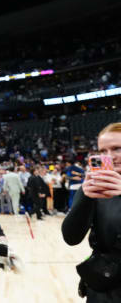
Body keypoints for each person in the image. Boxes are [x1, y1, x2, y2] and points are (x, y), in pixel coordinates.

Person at [62, 123, 121, 302]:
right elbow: (71, 238)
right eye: (102, 151)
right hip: (105, 286)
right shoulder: (93, 189)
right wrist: (85, 198)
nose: (109, 157)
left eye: (117, 148)